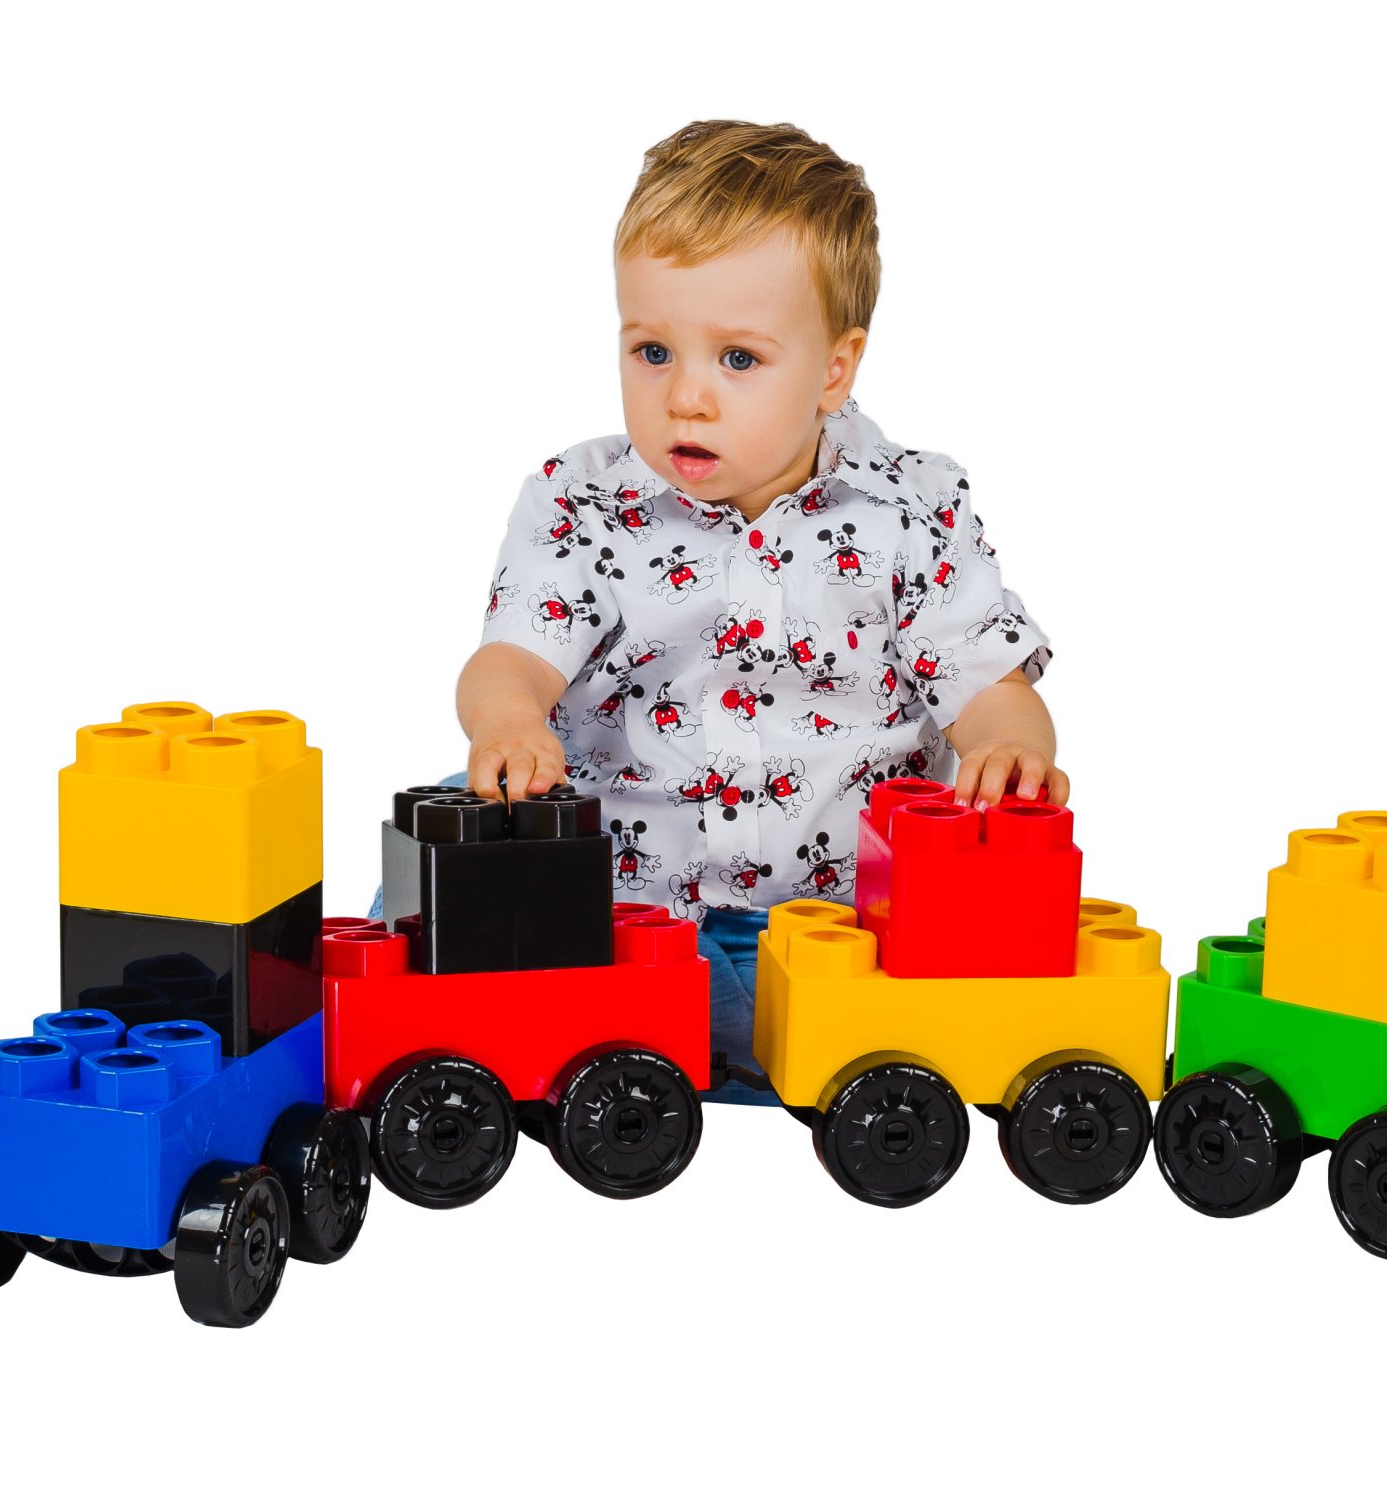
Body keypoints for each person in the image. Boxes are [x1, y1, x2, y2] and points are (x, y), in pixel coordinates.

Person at [445, 120, 1057, 1101]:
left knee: (831, 1029)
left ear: (833, 370)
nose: (686, 397)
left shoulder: (911, 509)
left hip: (833, 929)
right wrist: (510, 717)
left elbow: (988, 682)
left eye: (738, 359)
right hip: (629, 908)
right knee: (441, 860)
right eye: (652, 350)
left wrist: (1008, 748)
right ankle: (637, 1040)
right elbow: (512, 655)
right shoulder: (583, 502)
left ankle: (735, 1052)